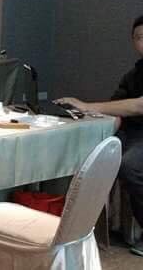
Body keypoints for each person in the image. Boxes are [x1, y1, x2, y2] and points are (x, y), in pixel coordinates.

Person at [56, 15, 143, 258]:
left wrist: (87, 105)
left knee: (130, 164)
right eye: (138, 37)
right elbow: (116, 107)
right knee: (90, 155)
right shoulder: (134, 74)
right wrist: (85, 115)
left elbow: (139, 106)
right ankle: (76, 226)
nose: (142, 42)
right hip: (130, 132)